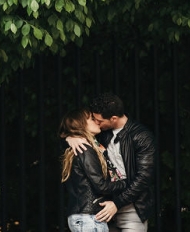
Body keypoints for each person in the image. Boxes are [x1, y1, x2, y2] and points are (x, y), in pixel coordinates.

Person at [66, 93, 156, 232]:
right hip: (102, 209)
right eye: (93, 119)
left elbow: (143, 178)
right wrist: (70, 138)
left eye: (99, 120)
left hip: (131, 208)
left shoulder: (141, 137)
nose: (96, 123)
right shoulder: (103, 133)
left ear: (113, 119)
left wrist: (117, 203)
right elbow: (79, 136)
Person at [59, 108, 129, 232]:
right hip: (89, 217)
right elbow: (101, 186)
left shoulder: (87, 146)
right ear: (81, 124)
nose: (97, 121)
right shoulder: (85, 149)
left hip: (85, 216)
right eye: (91, 119)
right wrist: (126, 182)